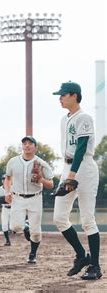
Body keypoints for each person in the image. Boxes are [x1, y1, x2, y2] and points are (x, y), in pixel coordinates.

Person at [52, 81, 102, 280]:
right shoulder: (65, 119)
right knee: (59, 217)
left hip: (84, 168)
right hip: (68, 167)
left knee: (87, 219)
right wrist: (66, 173)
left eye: (63, 95)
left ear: (74, 95)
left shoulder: (85, 117)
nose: (60, 98)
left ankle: (95, 267)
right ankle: (82, 256)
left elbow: (81, 146)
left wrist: (72, 175)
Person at [4, 136, 54, 264]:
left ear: (35, 148)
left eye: (30, 143)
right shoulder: (13, 161)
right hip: (18, 197)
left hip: (35, 198)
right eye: (24, 143)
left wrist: (41, 179)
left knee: (36, 233)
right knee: (15, 226)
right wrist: (7, 192)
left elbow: (51, 184)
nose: (27, 145)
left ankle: (33, 253)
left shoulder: (41, 163)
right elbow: (8, 178)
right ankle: (26, 226)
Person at [0, 175, 11, 246]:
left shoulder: (14, 188)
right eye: (3, 179)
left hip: (13, 208)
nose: (4, 180)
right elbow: (1, 201)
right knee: (4, 225)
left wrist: (7, 198)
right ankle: (8, 240)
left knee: (16, 225)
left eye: (6, 179)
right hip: (5, 208)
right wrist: (9, 198)